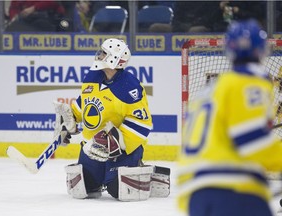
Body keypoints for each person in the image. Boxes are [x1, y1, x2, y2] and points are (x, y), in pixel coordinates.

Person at [177, 19, 282, 216]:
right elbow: (252, 142)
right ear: (261, 51)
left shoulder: (211, 89)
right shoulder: (248, 84)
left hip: (193, 192)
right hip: (230, 188)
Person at [53, 38, 170, 201]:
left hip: (121, 151)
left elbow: (142, 123)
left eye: (103, 53)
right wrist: (69, 120)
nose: (99, 55)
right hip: (91, 148)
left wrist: (116, 140)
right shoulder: (93, 76)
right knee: (83, 187)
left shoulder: (129, 86)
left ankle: (146, 172)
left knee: (119, 189)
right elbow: (84, 104)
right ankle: (100, 172)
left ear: (114, 59)